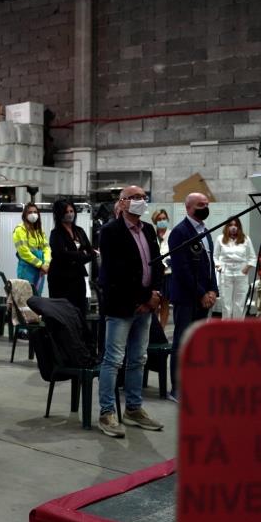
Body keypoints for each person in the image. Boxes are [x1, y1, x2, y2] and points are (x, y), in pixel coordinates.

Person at [96, 185, 165, 438]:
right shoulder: (110, 231)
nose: (141, 201)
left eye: (143, 197)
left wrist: (155, 294)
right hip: (121, 305)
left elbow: (156, 264)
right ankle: (107, 412)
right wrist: (144, 297)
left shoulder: (147, 229)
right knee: (113, 360)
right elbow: (117, 272)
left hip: (145, 306)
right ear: (123, 202)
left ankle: (133, 409)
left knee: (138, 359)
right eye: (135, 197)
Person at [169, 192, 218, 401]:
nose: (205, 208)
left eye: (207, 204)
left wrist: (213, 290)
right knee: (182, 342)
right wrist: (201, 293)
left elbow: (210, 264)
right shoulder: (179, 232)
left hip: (204, 296)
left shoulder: (205, 231)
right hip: (186, 297)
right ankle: (177, 389)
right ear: (188, 207)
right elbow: (182, 269)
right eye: (201, 205)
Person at [47, 200, 96, 318]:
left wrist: (75, 255)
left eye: (71, 211)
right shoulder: (56, 233)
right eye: (66, 212)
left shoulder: (79, 231)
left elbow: (91, 253)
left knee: (80, 309)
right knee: (63, 311)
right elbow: (60, 255)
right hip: (60, 278)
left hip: (78, 276)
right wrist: (81, 253)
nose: (70, 214)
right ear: (59, 214)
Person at [213, 217, 256, 319]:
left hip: (241, 272)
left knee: (239, 303)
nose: (233, 227)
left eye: (236, 225)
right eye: (231, 225)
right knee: (226, 303)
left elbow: (252, 257)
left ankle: (238, 326)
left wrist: (247, 268)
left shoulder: (246, 239)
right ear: (227, 227)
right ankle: (226, 326)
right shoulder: (220, 238)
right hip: (226, 272)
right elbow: (215, 256)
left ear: (239, 227)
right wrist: (218, 266)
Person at [13, 203, 50, 296]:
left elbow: (46, 248)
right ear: (25, 215)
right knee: (26, 297)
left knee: (37, 296)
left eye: (35, 212)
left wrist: (46, 264)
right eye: (30, 212)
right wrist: (40, 265)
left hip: (40, 270)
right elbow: (24, 252)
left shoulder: (39, 230)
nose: (33, 214)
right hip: (27, 269)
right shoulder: (20, 230)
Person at [151, 209, 172, 328]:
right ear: (155, 221)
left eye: (164, 218)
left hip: (167, 273)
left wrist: (165, 265)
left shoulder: (172, 234)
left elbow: (174, 253)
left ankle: (162, 329)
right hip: (154, 274)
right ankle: (154, 330)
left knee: (165, 303)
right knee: (154, 303)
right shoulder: (152, 235)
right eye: (159, 219)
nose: (162, 221)